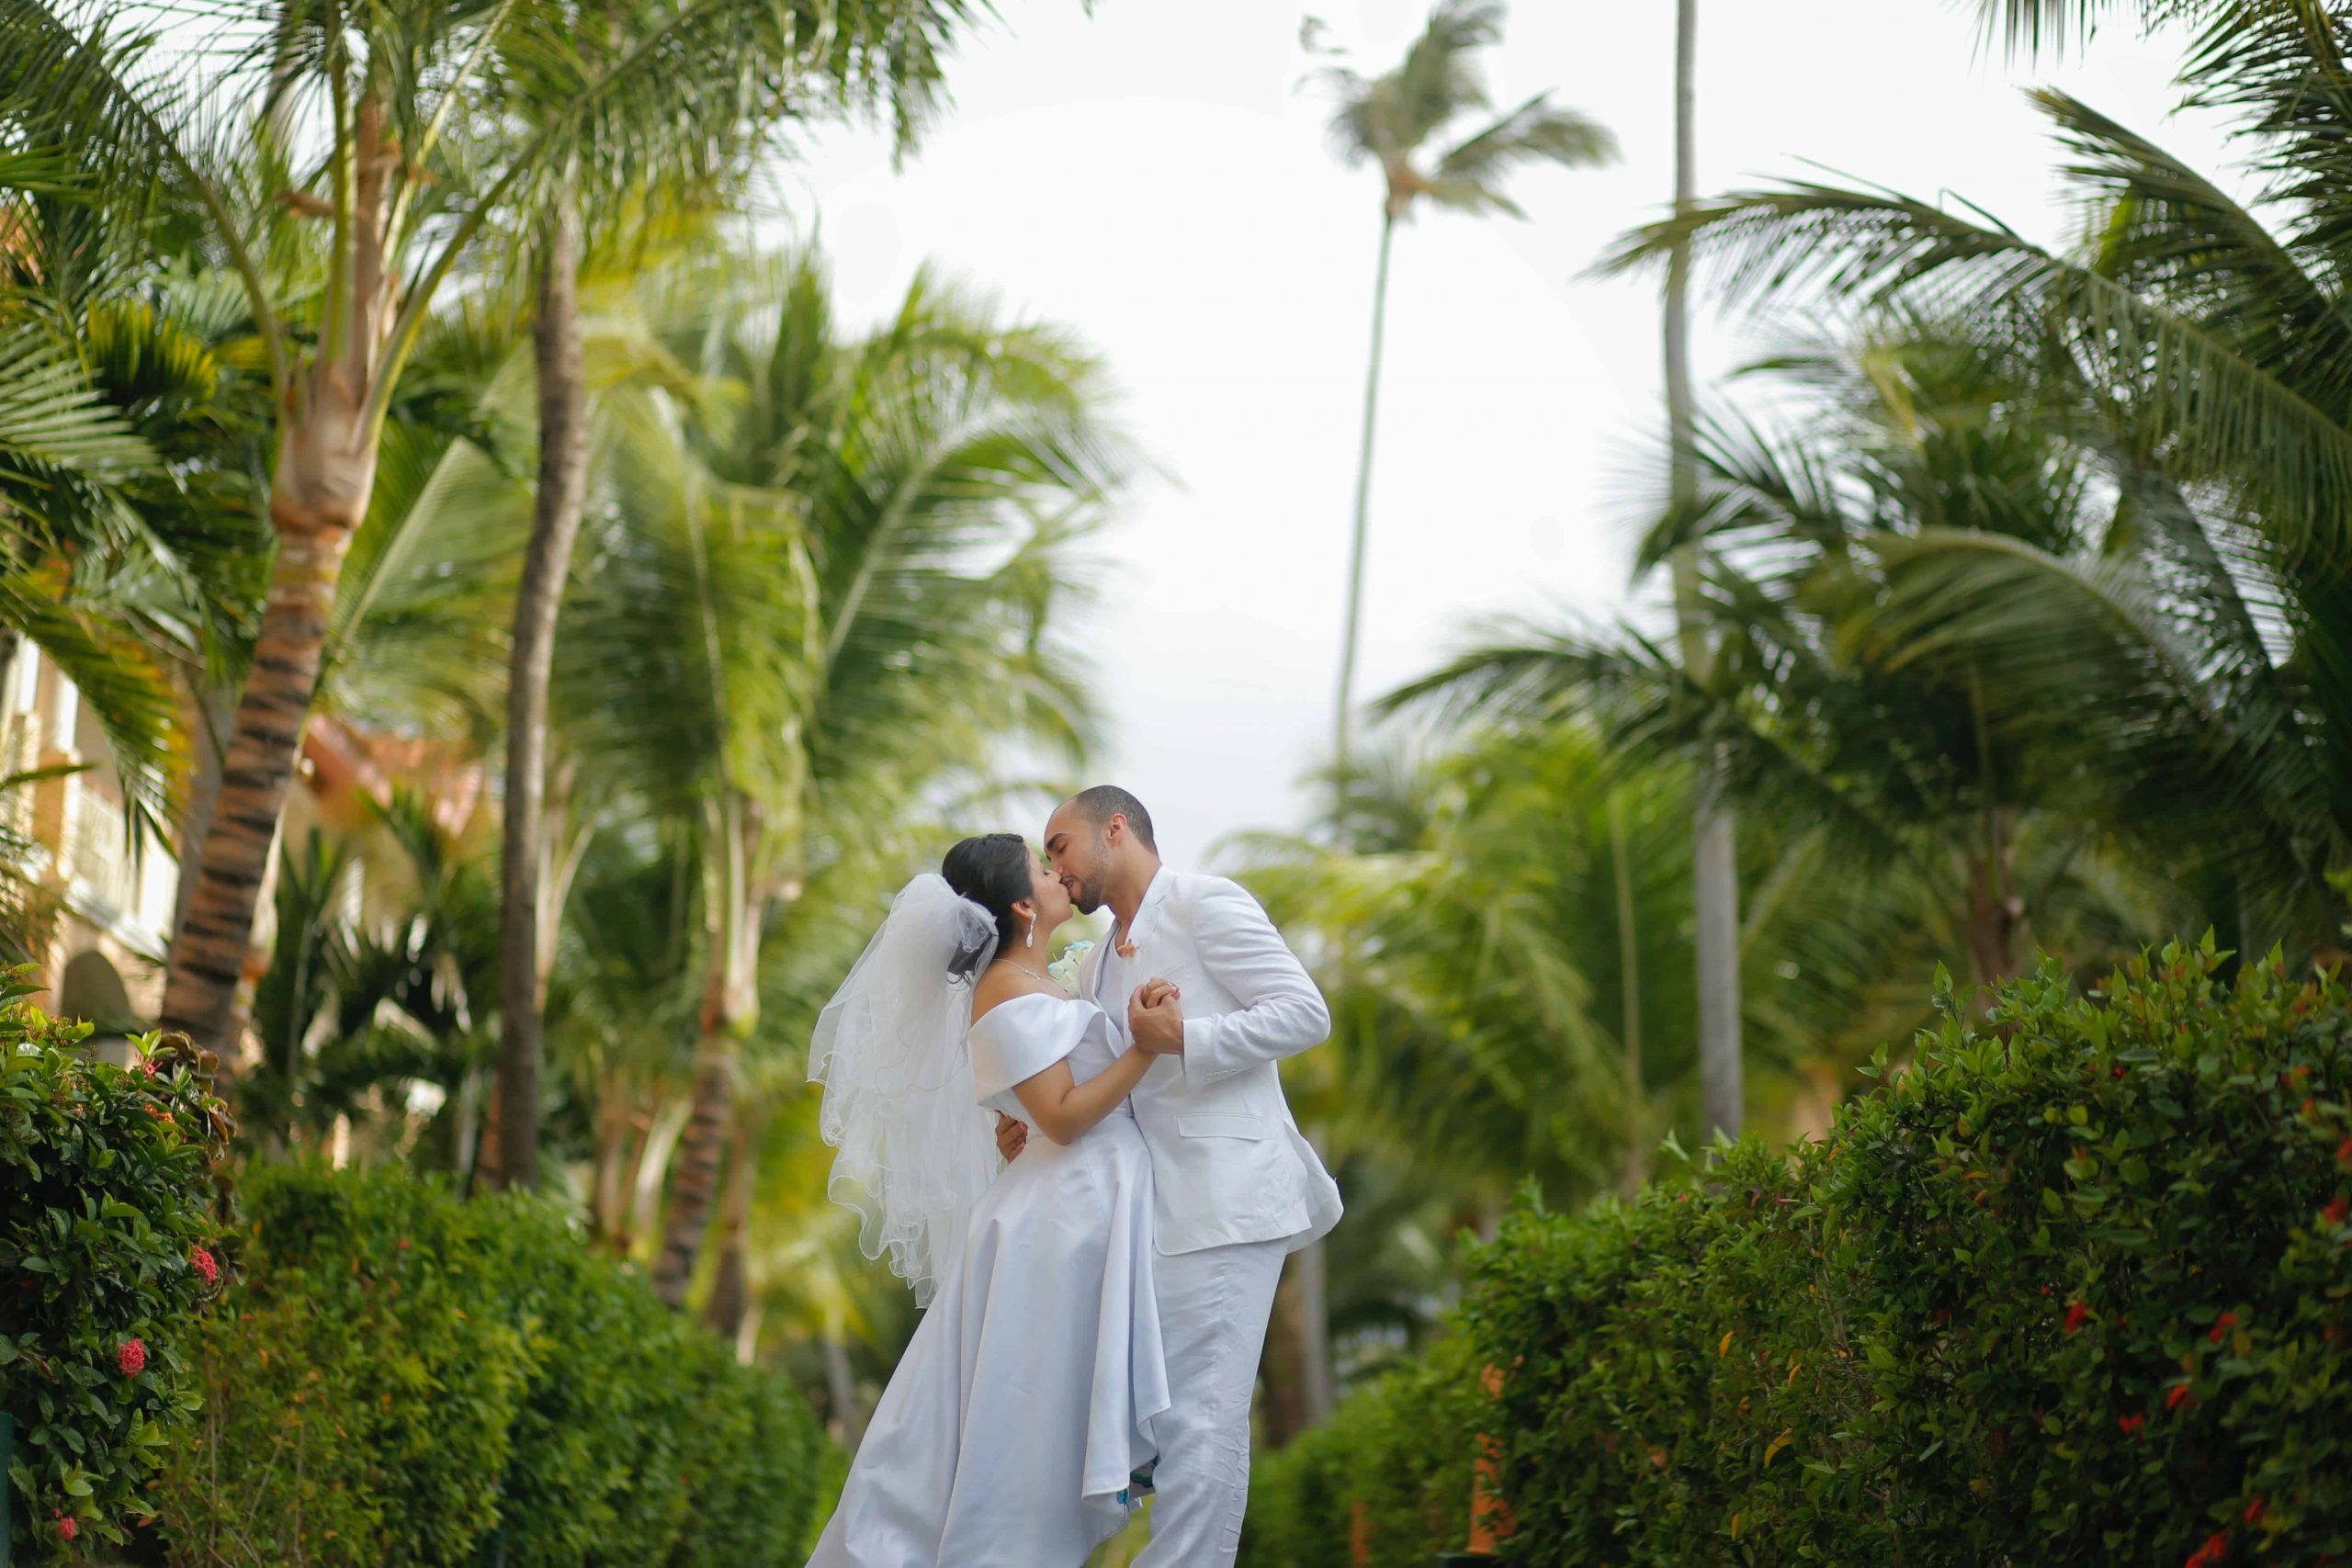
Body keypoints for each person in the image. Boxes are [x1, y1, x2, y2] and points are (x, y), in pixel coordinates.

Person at [803, 833, 1182, 1568]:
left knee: (1028, 1421)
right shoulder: (1006, 984)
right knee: (1022, 1429)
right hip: (1055, 1223)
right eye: (1044, 868)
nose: (1058, 872)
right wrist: (1143, 1045)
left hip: (1070, 1207)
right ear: (1020, 902)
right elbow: (1067, 1115)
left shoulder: (1033, 981)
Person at [1016, 784, 1345, 1568]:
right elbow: (1111, 1082)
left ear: (1116, 830)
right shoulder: (1096, 960)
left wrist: (1185, 1036)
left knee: (1204, 1419)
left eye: (1060, 845)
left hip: (1230, 1199)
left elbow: (1305, 1011)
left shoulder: (1206, 903)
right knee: (1161, 1427)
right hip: (1153, 1218)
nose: (1055, 870)